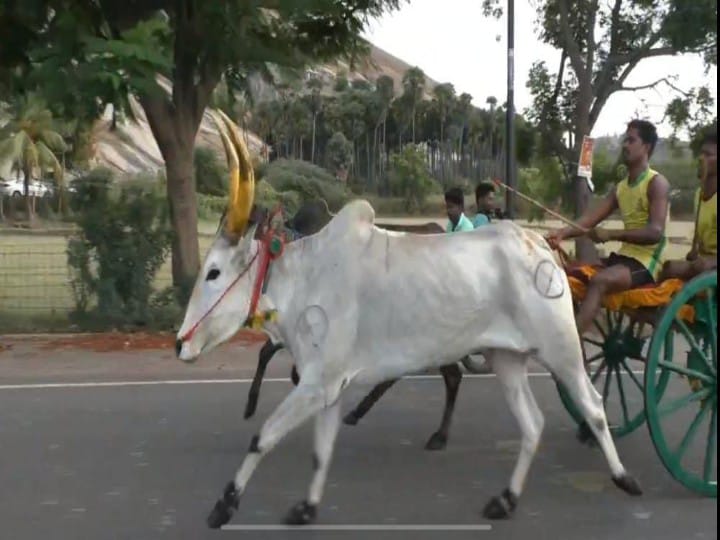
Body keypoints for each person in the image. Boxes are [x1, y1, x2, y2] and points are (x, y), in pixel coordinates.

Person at [546, 119, 671, 335]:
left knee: (599, 281)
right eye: (625, 140)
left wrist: (611, 234)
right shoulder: (620, 188)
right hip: (624, 259)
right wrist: (562, 233)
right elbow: (590, 219)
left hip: (647, 263)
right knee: (574, 276)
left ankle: (571, 345)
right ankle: (578, 355)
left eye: (631, 140)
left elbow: (655, 232)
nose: (625, 145)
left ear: (647, 147)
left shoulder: (656, 183)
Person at [661, 131, 717, 280]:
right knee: (667, 268)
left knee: (671, 270)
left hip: (711, 268)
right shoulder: (700, 193)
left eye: (708, 154)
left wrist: (711, 261)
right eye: (701, 153)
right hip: (703, 265)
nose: (701, 158)